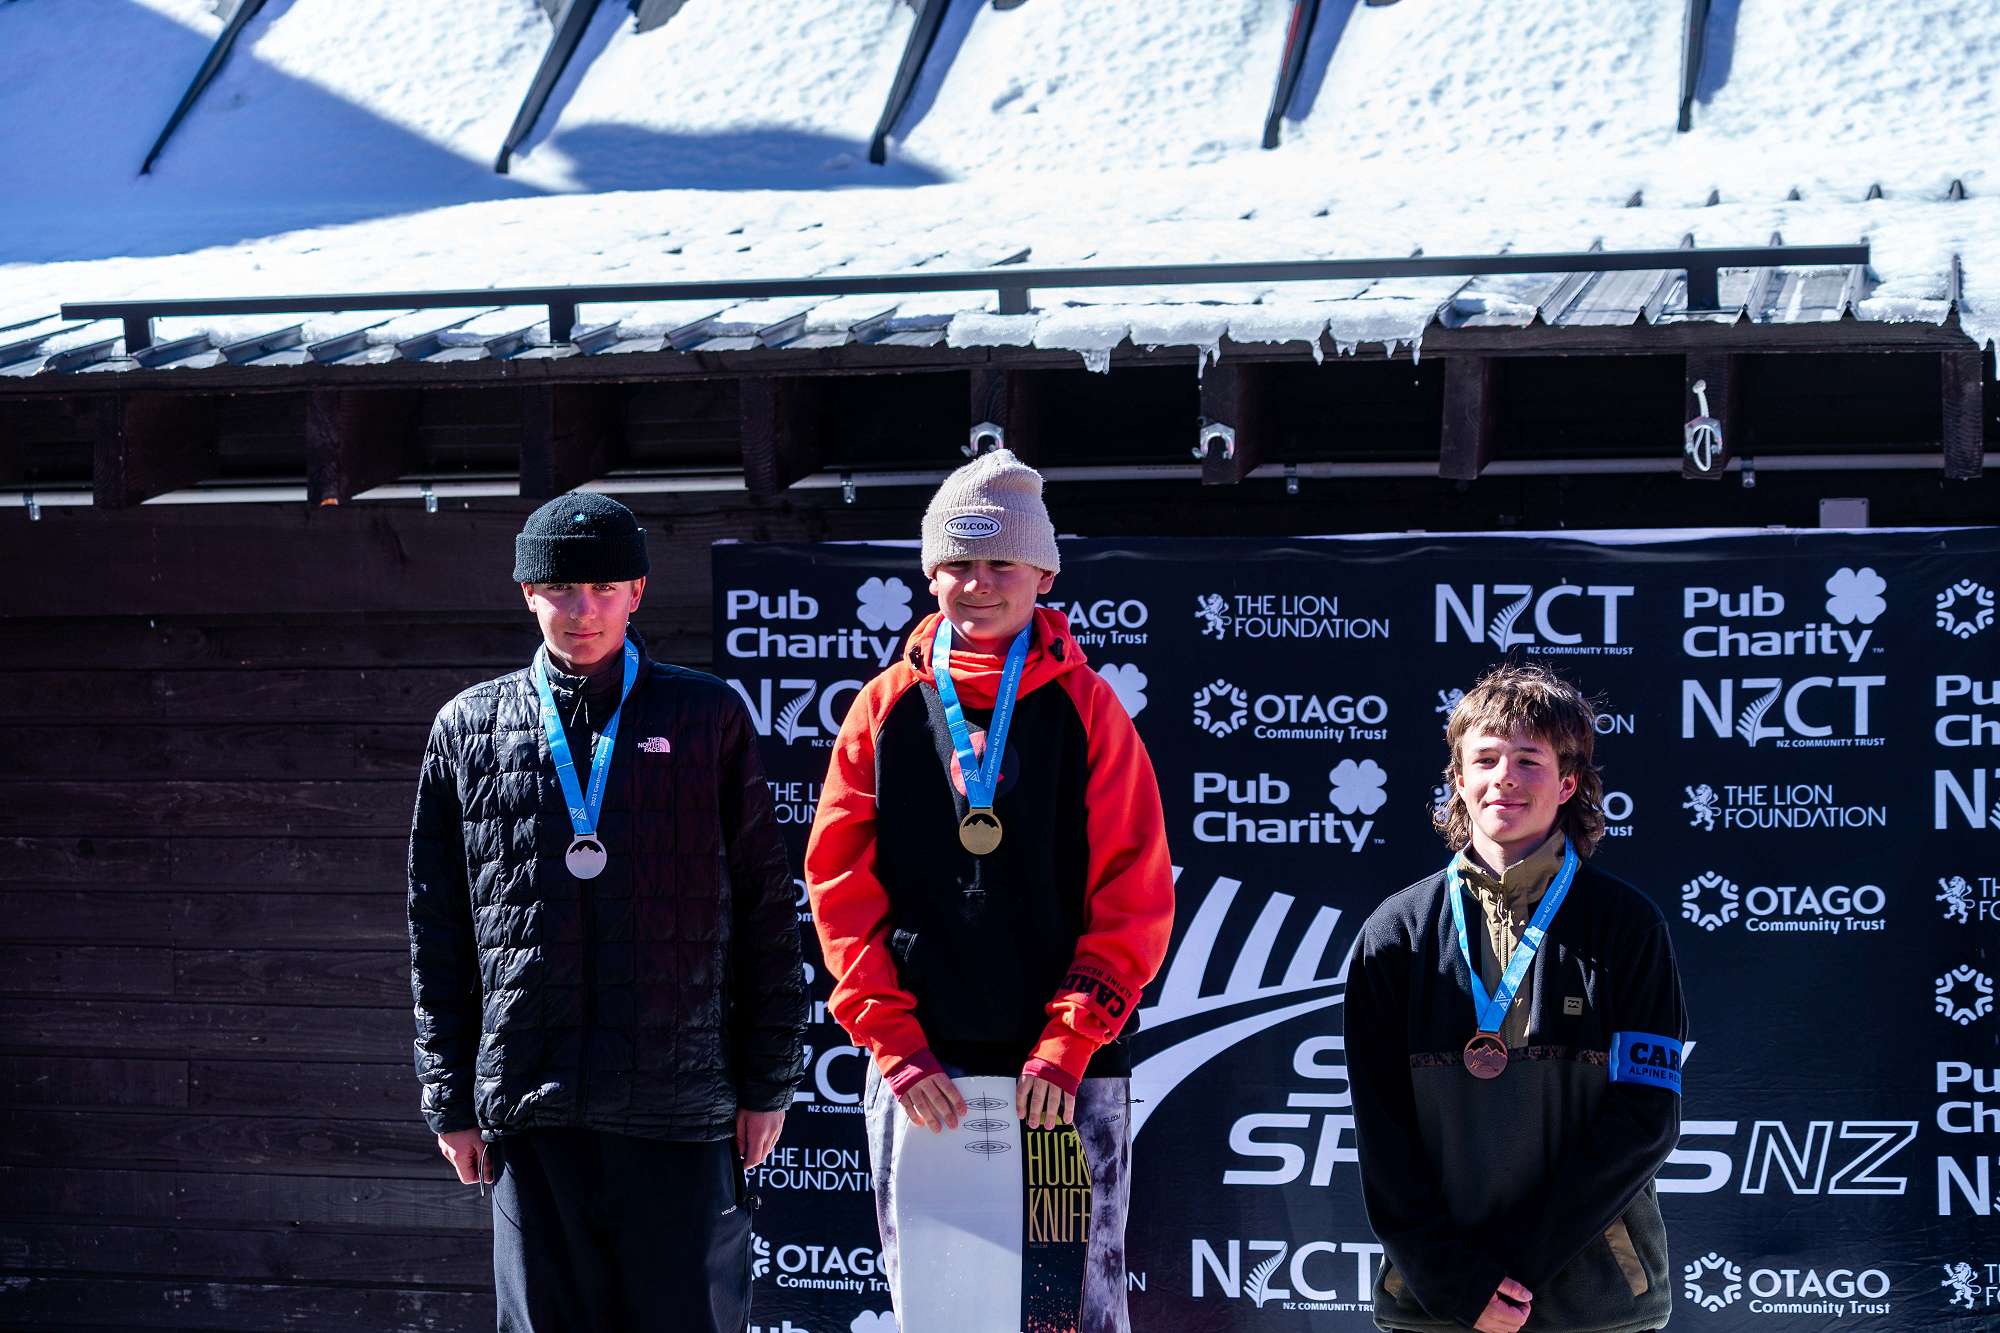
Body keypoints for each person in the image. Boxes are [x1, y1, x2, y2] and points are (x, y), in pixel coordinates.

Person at [408, 492, 806, 1333]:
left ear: (637, 591)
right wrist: (449, 1098)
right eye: (560, 586)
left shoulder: (705, 716)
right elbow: (437, 930)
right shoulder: (468, 727)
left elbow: (767, 909)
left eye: (602, 587)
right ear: (527, 591)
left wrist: (768, 1079)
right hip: (532, 1107)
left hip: (679, 1108)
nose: (581, 609)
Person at [804, 448, 1175, 1331]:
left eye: (1001, 562)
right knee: (941, 1308)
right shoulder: (883, 707)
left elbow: (1134, 889)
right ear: (929, 574)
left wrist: (1069, 1041)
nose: (978, 584)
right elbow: (838, 884)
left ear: (1043, 574)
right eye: (958, 563)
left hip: (1058, 1079)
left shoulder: (1090, 707)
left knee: (1062, 1313)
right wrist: (893, 1043)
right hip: (924, 1071)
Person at [1346, 664, 1687, 1333]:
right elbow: (1383, 1138)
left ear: (1568, 783)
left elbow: (1646, 1118)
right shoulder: (1394, 933)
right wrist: (1456, 1282)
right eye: (1486, 758)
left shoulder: (1627, 926)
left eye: (1529, 759)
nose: (1505, 776)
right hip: (1438, 1305)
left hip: (1594, 1303)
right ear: (1458, 779)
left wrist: (1515, 1272)